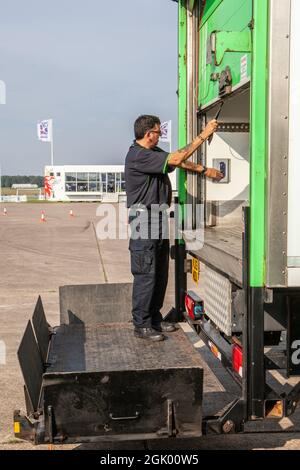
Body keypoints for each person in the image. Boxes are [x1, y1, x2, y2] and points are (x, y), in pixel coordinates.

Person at [125, 115, 222, 342]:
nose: (161, 135)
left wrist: (205, 170)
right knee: (146, 273)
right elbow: (179, 158)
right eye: (159, 132)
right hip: (144, 220)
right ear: (149, 134)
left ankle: (155, 318)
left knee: (159, 272)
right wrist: (204, 135)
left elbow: (179, 159)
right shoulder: (139, 155)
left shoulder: (154, 153)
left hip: (156, 219)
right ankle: (142, 324)